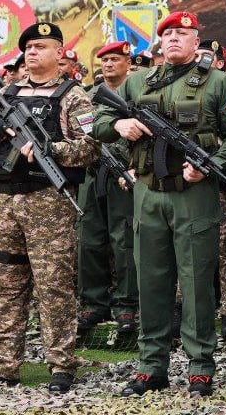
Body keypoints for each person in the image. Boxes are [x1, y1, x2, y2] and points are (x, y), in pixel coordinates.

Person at [93, 11, 226, 398]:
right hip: (147, 192)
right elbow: (96, 119)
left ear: (197, 42)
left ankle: (200, 367)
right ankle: (152, 366)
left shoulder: (218, 82)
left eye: (183, 33)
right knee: (151, 280)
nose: (175, 38)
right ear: (159, 43)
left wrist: (210, 165)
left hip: (193, 195)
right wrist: (118, 126)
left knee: (196, 283)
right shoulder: (136, 81)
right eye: (168, 34)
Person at [0, 22, 97, 393]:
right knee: (7, 283)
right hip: (3, 200)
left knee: (53, 284)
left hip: (48, 203)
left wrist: (48, 150)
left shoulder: (74, 96)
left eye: (42, 46)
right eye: (29, 47)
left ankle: (61, 365)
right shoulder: (5, 93)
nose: (33, 52)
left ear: (59, 52)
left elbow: (89, 148)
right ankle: (3, 363)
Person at [76, 41, 138, 337]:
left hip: (125, 174)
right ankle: (94, 301)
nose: (109, 64)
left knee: (124, 239)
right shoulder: (88, 96)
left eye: (115, 59)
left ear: (128, 63)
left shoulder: (138, 92)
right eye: (105, 60)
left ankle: (127, 302)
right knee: (89, 238)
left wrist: (132, 167)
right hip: (92, 172)